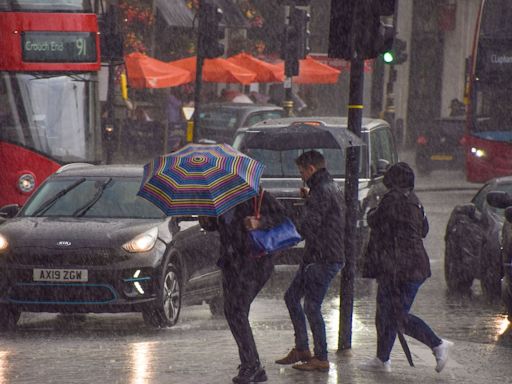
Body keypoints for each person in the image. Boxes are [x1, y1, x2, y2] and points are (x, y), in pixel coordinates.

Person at [360, 162, 453, 373]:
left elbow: (373, 219)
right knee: (384, 313)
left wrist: (376, 206)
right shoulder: (414, 201)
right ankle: (382, 359)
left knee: (397, 316)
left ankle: (438, 345)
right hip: (400, 267)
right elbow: (424, 229)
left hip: (403, 269)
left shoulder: (392, 199)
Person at [199, 189, 288, 384]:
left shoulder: (256, 194)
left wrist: (259, 222)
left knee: (237, 311)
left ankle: (252, 365)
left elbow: (283, 216)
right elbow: (220, 225)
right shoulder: (219, 198)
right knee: (232, 312)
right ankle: (250, 363)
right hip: (231, 262)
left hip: (254, 262)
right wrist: (206, 219)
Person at [275, 150, 345, 372]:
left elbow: (309, 225)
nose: (301, 176)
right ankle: (302, 349)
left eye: (301, 171)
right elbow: (328, 215)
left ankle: (321, 357)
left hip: (323, 256)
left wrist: (281, 237)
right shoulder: (328, 186)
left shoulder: (321, 191)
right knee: (292, 297)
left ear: (311, 169)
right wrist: (309, 199)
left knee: (311, 305)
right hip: (319, 254)